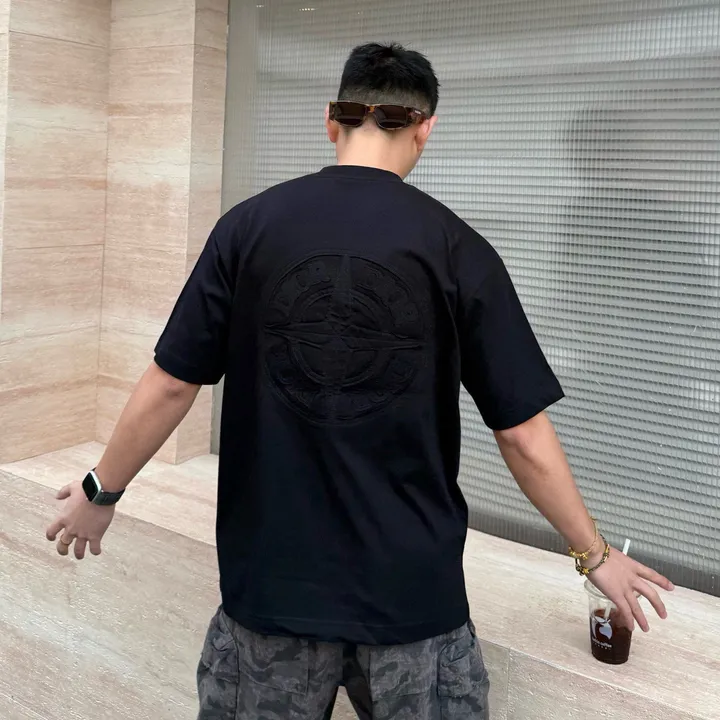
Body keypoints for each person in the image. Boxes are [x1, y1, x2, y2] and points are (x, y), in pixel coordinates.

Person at [45, 43, 674, 720]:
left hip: (273, 594)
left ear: (331, 119)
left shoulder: (247, 229)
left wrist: (101, 491)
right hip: (411, 602)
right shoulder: (458, 248)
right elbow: (521, 434)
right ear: (425, 128)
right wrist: (594, 555)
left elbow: (172, 384)